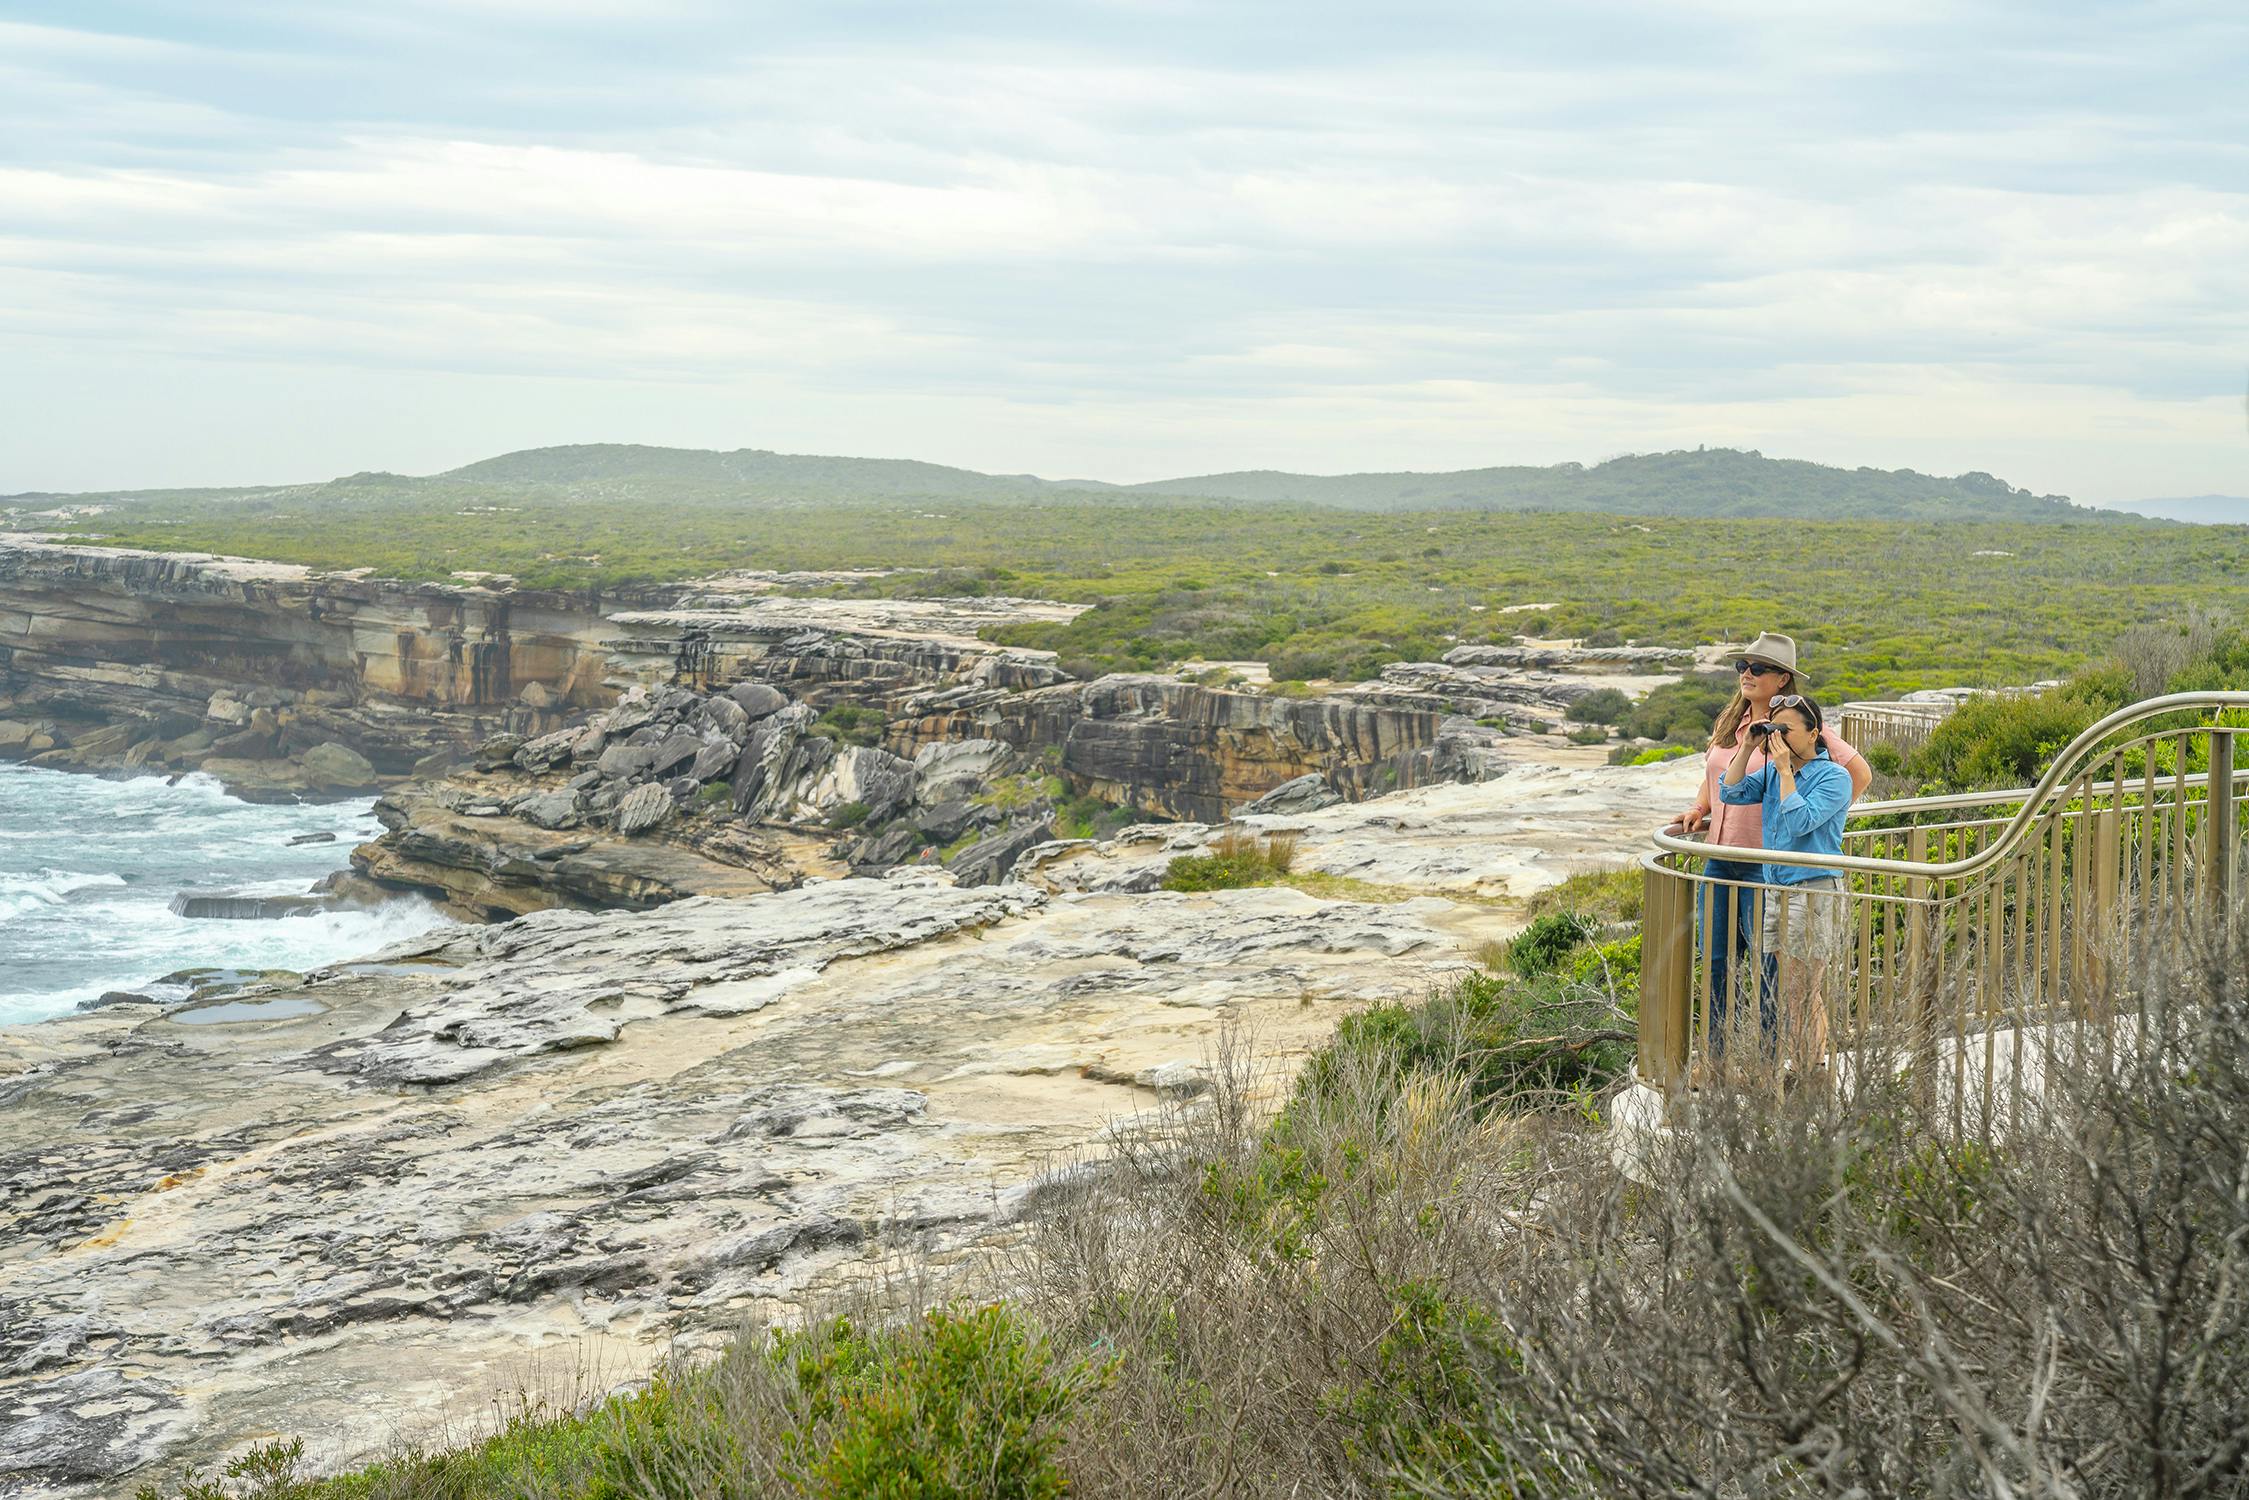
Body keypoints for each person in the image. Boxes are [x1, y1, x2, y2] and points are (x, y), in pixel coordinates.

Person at [1673, 632, 1869, 1056]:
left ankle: (1770, 1061)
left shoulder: (1802, 725)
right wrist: (1699, 805)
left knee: (1771, 972)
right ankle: (1716, 1059)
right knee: (1715, 964)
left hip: (1769, 864)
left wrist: (1815, 822)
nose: (1746, 674)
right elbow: (1720, 779)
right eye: (1742, 666)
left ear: (1782, 679)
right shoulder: (1733, 723)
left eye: (1757, 668)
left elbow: (1858, 774)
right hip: (1720, 856)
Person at [1717, 693, 1852, 1075]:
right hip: (1777, 888)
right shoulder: (1775, 772)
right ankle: (1807, 1067)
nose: (1778, 737)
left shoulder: (1834, 777)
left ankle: (1812, 1070)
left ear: (1814, 734)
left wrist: (1787, 773)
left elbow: (1799, 823)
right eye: (1774, 729)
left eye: (1786, 730)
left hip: (1812, 890)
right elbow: (1730, 792)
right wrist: (1746, 747)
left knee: (1802, 990)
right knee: (1792, 990)